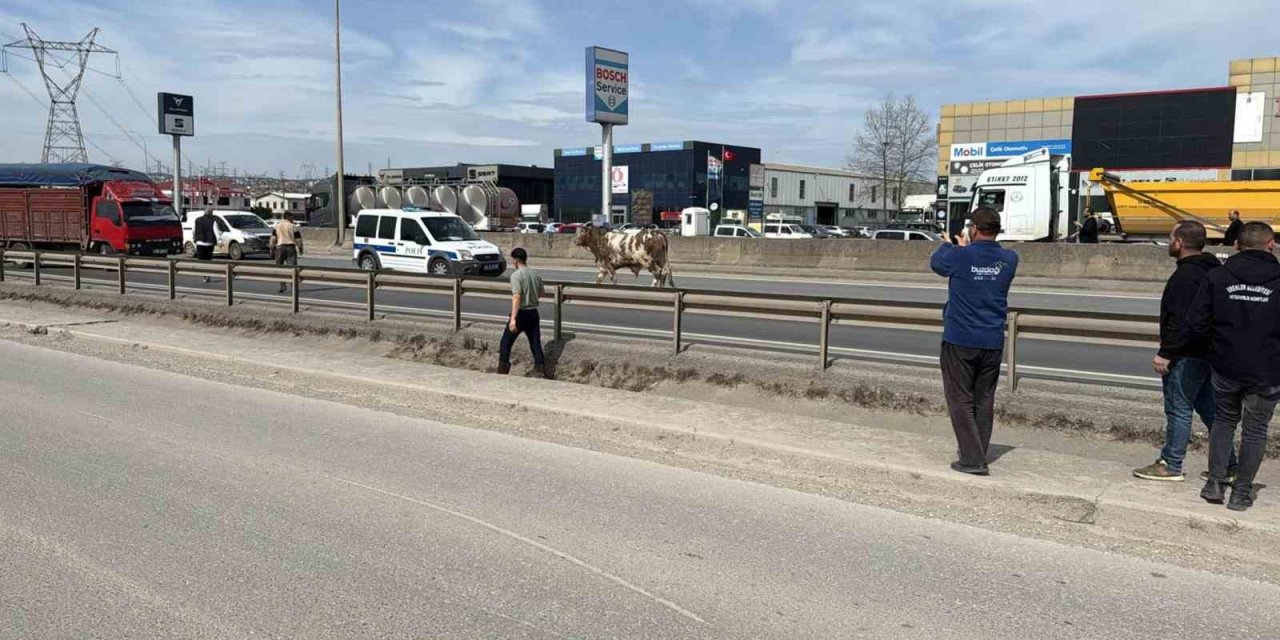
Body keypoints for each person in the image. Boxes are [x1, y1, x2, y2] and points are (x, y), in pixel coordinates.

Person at [1188, 221, 1280, 511]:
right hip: (1268, 370)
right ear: (1271, 244)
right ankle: (1241, 492)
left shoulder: (1217, 276)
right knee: (1255, 430)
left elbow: (1196, 323)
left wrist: (1217, 349)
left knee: (1224, 421)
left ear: (1236, 245)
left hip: (1226, 365)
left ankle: (1215, 483)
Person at [1133, 221, 1233, 482]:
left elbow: (1182, 320)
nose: (1169, 243)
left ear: (1179, 242)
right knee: (1210, 409)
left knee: (1178, 408)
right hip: (1208, 352)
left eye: (1170, 238)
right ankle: (1228, 464)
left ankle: (1171, 462)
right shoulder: (1213, 271)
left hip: (1186, 354)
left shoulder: (1186, 276)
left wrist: (1166, 352)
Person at [930, 207, 1019, 475]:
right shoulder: (1010, 259)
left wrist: (949, 245)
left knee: (960, 399)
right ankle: (979, 449)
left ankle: (972, 459)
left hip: (960, 338)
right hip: (992, 339)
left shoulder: (959, 256)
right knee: (984, 399)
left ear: (974, 228)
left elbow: (937, 264)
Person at [497, 247, 549, 378]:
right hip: (533, 313)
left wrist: (513, 319)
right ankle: (540, 369)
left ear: (515, 260)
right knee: (535, 342)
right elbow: (542, 293)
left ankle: (503, 368)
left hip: (521, 314)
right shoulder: (535, 274)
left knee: (506, 342)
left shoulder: (516, 276)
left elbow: (517, 296)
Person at [271, 212, 304, 293]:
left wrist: (272, 248)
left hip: (280, 248)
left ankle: (282, 286)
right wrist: (300, 248)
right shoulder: (292, 226)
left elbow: (273, 239)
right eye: (292, 217)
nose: (293, 219)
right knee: (293, 268)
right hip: (290, 248)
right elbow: (298, 239)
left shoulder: (277, 226)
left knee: (280, 268)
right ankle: (293, 287)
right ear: (288, 217)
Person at [193, 208, 219, 283]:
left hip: (199, 243)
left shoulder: (197, 220)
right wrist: (219, 241)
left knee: (201, 261)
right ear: (211, 213)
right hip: (209, 243)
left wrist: (194, 238)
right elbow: (216, 231)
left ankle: (204, 276)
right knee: (208, 260)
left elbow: (193, 231)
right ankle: (208, 275)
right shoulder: (213, 221)